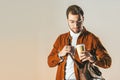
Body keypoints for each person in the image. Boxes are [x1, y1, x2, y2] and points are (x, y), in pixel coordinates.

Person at [47, 5, 112, 80]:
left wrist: (92, 58)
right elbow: (50, 62)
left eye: (79, 21)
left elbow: (108, 62)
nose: (76, 25)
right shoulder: (61, 39)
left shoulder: (92, 38)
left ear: (83, 19)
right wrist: (60, 54)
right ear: (67, 20)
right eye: (72, 22)